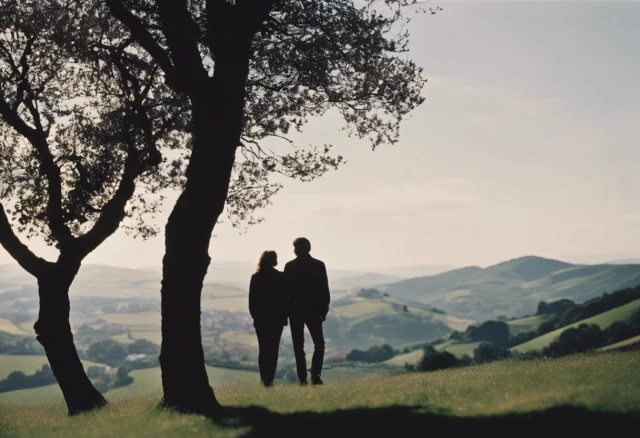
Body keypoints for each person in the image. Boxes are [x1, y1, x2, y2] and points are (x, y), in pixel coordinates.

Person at [284, 237, 330, 385]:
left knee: (298, 346)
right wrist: (324, 311)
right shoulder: (318, 265)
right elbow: (324, 290)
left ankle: (302, 379)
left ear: (297, 249)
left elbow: (285, 292)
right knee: (319, 344)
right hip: (314, 310)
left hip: (295, 311)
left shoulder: (290, 266)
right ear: (308, 248)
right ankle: (315, 375)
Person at [249, 250, 287, 387]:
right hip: (277, 319)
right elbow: (285, 299)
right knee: (273, 349)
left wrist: (255, 316)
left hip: (261, 319)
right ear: (273, 260)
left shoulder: (256, 277)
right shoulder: (281, 277)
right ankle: (270, 379)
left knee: (263, 349)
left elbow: (251, 300)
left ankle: (264, 379)